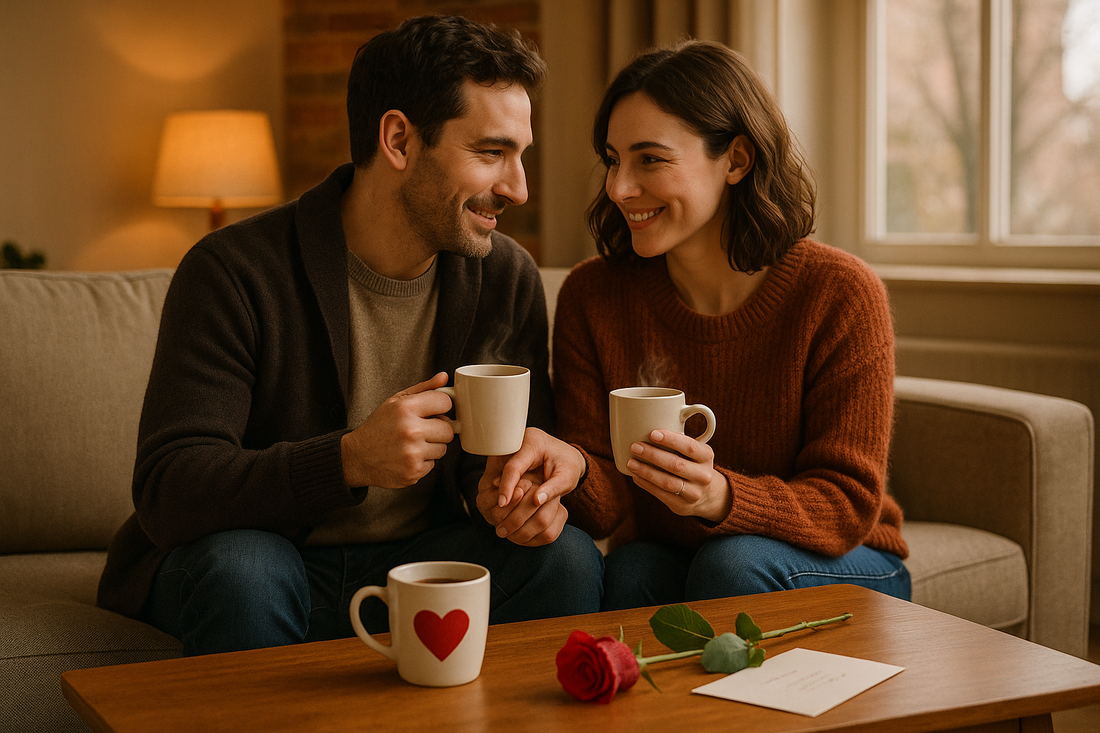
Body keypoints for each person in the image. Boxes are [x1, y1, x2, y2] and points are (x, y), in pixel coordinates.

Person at [97, 14, 602, 656]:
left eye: (520, 155)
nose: (519, 188)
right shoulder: (232, 270)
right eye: (491, 152)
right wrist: (349, 460)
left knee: (569, 562)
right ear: (398, 139)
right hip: (264, 558)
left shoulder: (504, 275)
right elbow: (170, 489)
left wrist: (523, 498)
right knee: (247, 573)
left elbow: (502, 464)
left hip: (418, 563)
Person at [538, 40, 911, 610]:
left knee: (731, 565)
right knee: (628, 572)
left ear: (736, 160)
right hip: (680, 549)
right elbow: (606, 508)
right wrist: (573, 468)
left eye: (650, 159)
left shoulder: (840, 293)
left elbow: (846, 505)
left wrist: (721, 496)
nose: (618, 188)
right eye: (613, 159)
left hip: (843, 554)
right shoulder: (594, 296)